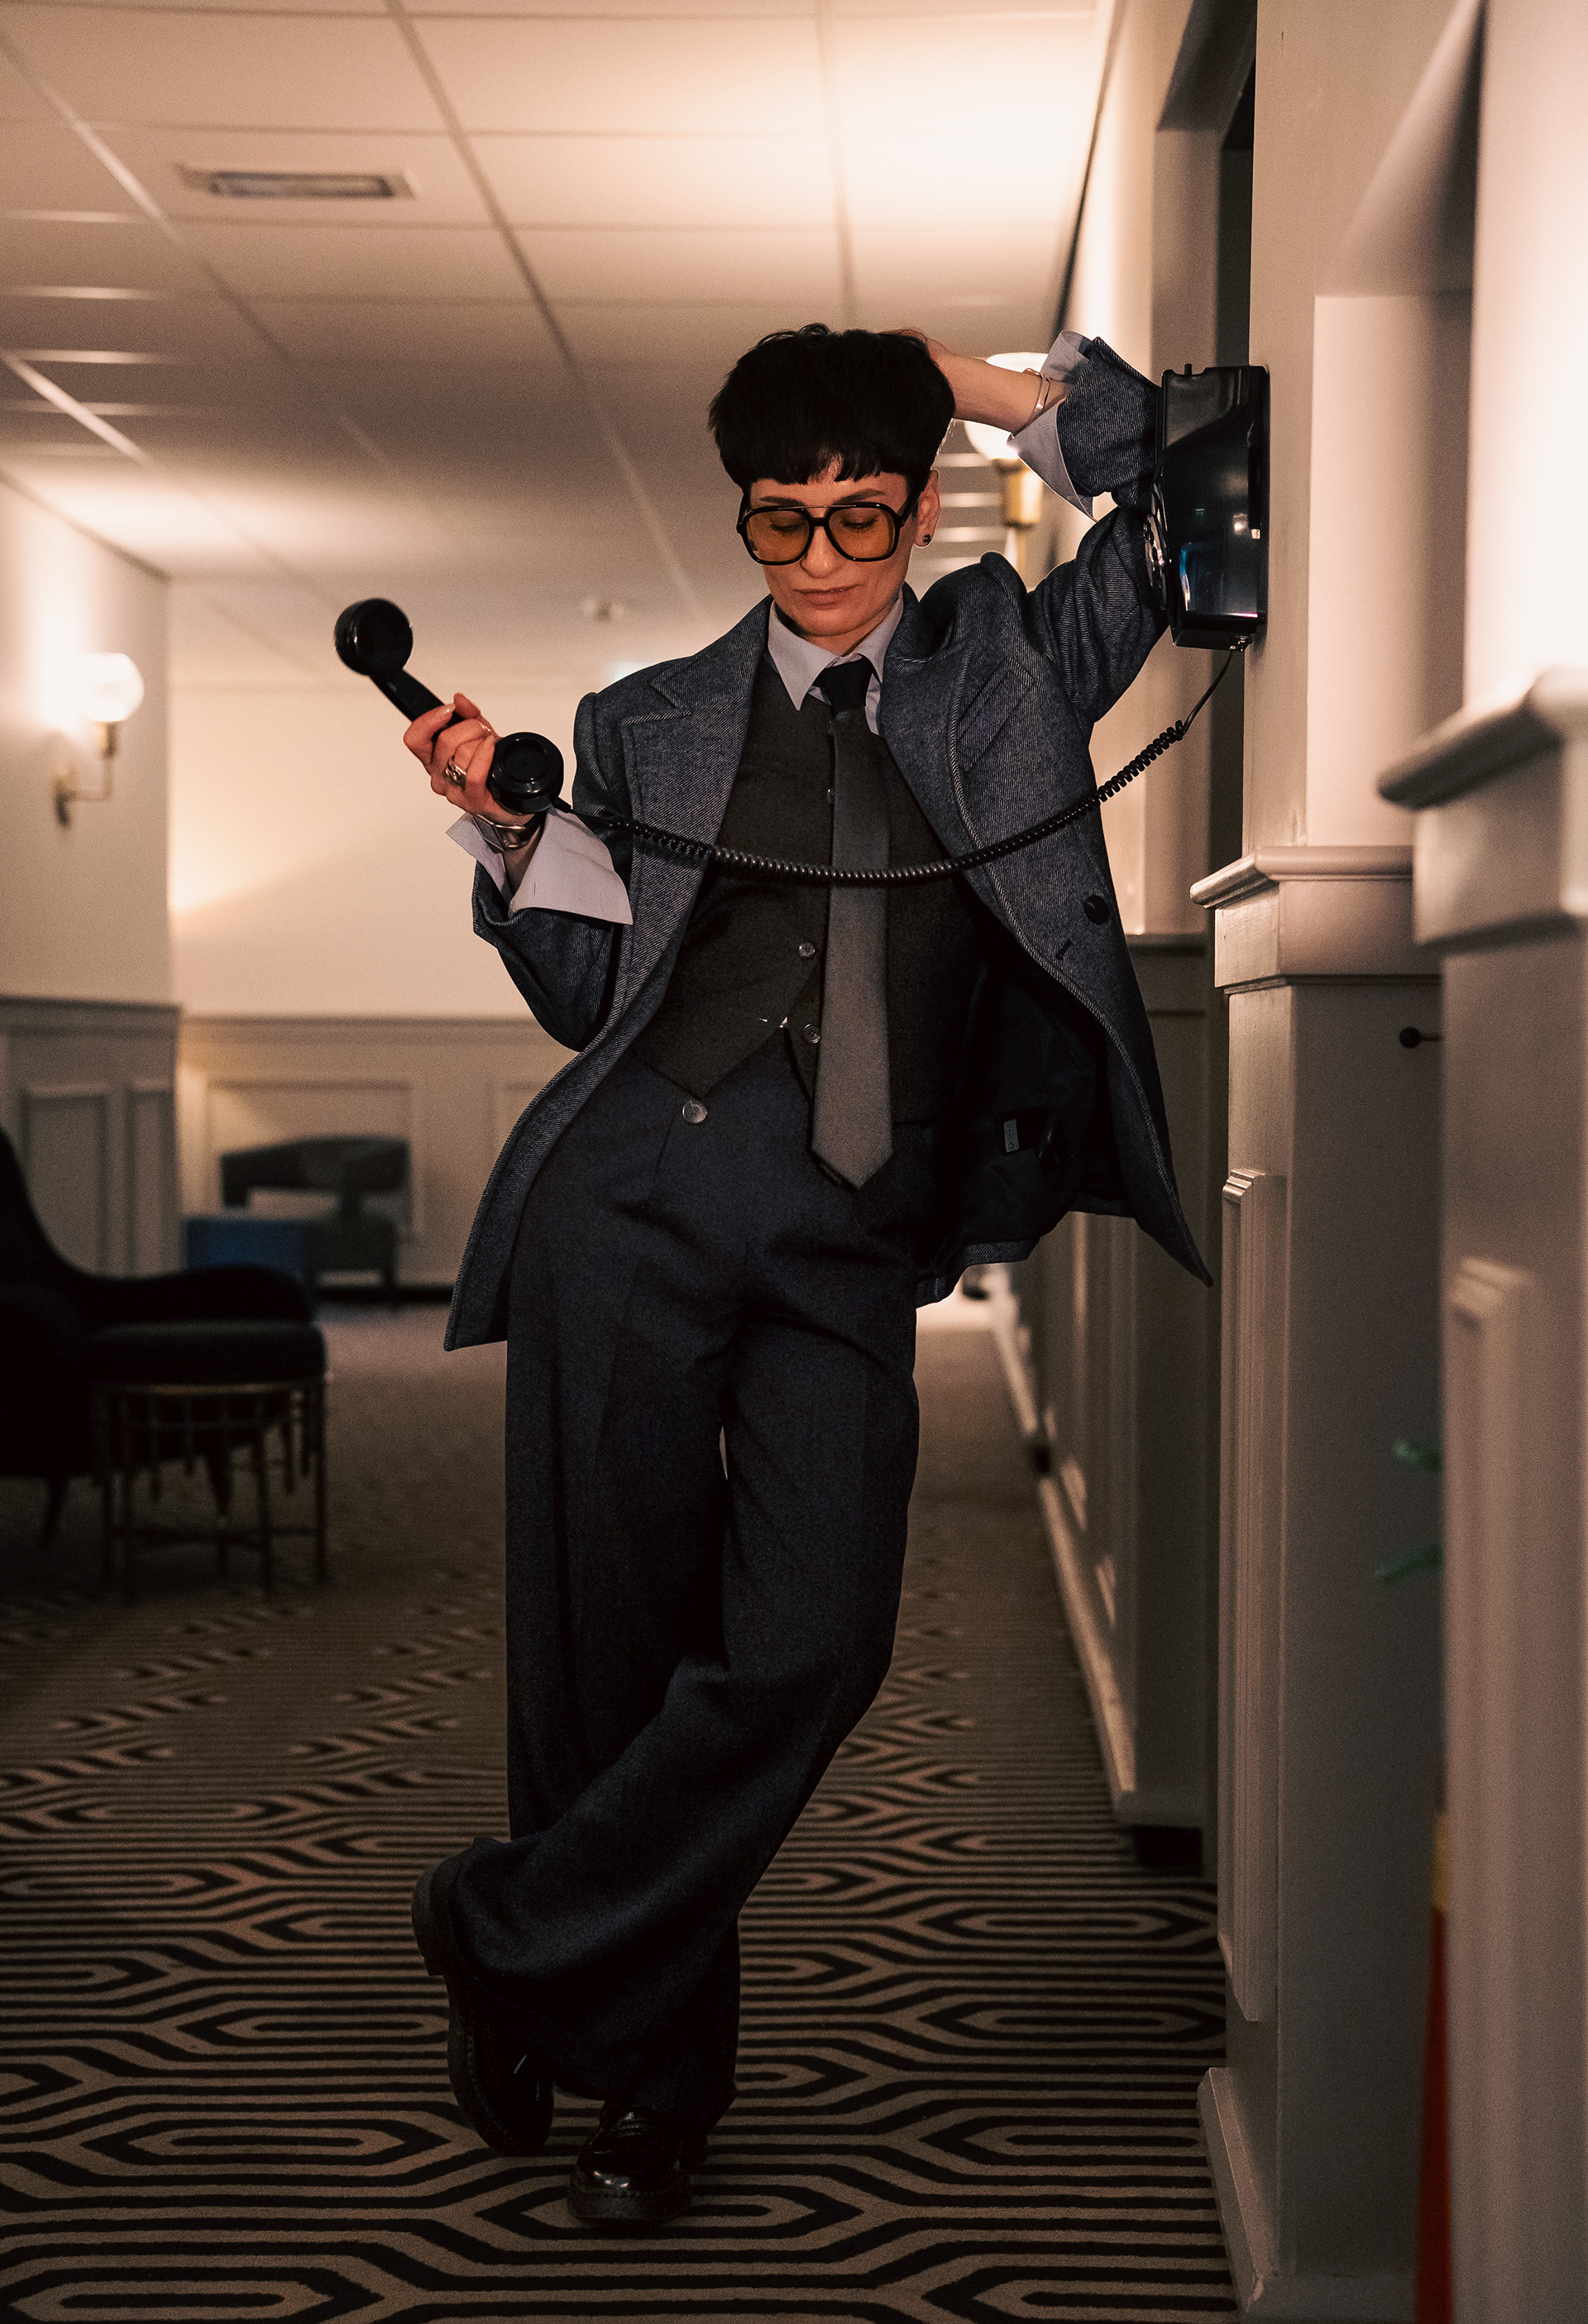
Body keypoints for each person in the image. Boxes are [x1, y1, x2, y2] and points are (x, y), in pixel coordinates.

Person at [403, 323, 1208, 2227]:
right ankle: (652, 2086)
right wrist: (509, 837)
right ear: (743, 518)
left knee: (813, 1643)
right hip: (628, 1203)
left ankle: (510, 1936)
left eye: (863, 515)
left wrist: (980, 378)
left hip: (851, 1234)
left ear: (922, 511)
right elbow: (593, 997)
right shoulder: (647, 719)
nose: (824, 558)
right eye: (782, 521)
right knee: (606, 1655)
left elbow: (1201, 471)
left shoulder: (1016, 662)